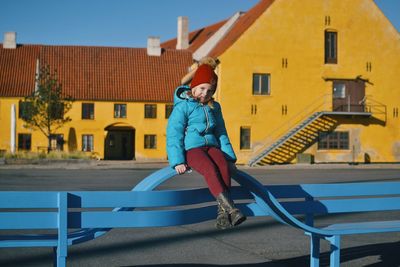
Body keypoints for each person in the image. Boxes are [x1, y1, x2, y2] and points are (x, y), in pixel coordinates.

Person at [166, 58, 246, 229]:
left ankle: (223, 215)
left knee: (223, 167)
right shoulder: (183, 106)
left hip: (212, 145)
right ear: (193, 86)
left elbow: (221, 132)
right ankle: (231, 208)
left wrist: (230, 158)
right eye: (202, 88)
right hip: (192, 149)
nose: (205, 94)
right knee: (210, 169)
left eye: (209, 91)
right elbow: (174, 133)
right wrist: (177, 161)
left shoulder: (214, 107)